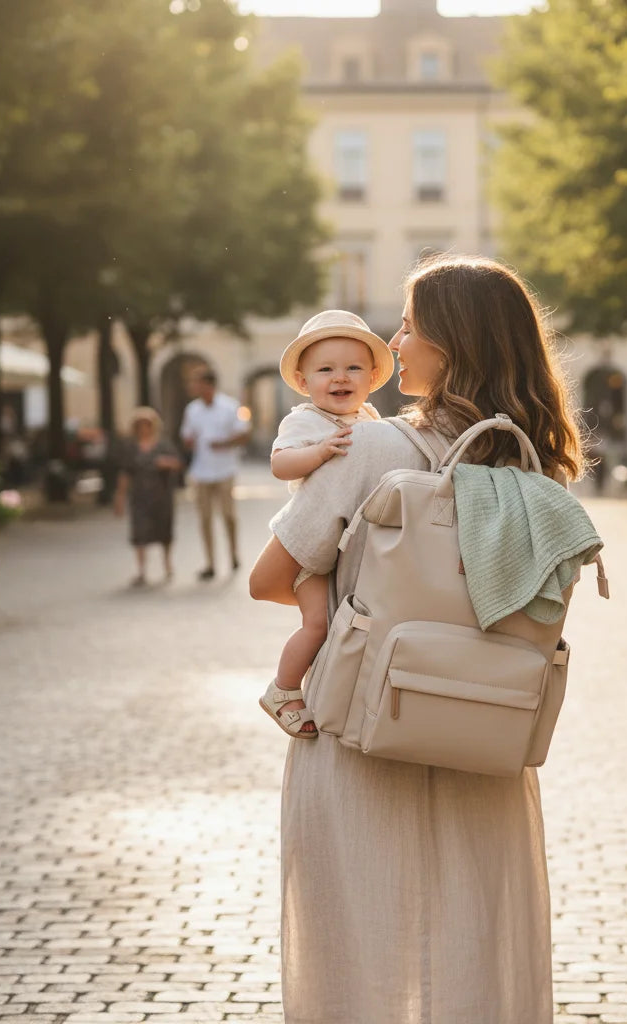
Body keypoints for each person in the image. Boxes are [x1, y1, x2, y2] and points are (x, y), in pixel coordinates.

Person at [249, 254, 584, 1023]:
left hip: (363, 727)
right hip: (484, 729)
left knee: (358, 948)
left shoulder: (369, 448)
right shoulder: (540, 470)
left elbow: (270, 578)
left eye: (409, 326)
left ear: (452, 340)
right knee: (474, 941)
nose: (394, 343)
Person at [260, 310, 394, 738]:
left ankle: (335, 690)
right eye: (325, 370)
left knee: (345, 625)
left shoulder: (370, 420)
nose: (340, 377)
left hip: (349, 546)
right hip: (310, 549)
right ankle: (283, 689)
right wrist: (318, 452)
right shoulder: (304, 420)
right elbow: (280, 464)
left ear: (373, 377)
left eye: (353, 368)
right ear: (303, 382)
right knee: (317, 623)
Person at [179, 368, 251, 580]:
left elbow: (244, 433)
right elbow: (186, 436)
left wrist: (224, 443)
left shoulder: (229, 406)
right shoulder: (192, 409)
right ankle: (210, 563)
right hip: (201, 471)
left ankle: (233, 554)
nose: (195, 387)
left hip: (225, 470)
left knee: (228, 516)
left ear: (209, 385)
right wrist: (189, 442)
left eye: (198, 383)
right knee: (204, 518)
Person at [114, 407, 182, 586]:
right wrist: (120, 496)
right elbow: (125, 473)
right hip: (139, 496)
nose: (144, 429)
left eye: (147, 425)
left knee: (164, 530)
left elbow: (177, 463)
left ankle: (167, 564)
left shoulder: (164, 445)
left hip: (161, 495)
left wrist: (166, 463)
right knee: (140, 532)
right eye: (140, 425)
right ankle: (141, 570)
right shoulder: (131, 447)